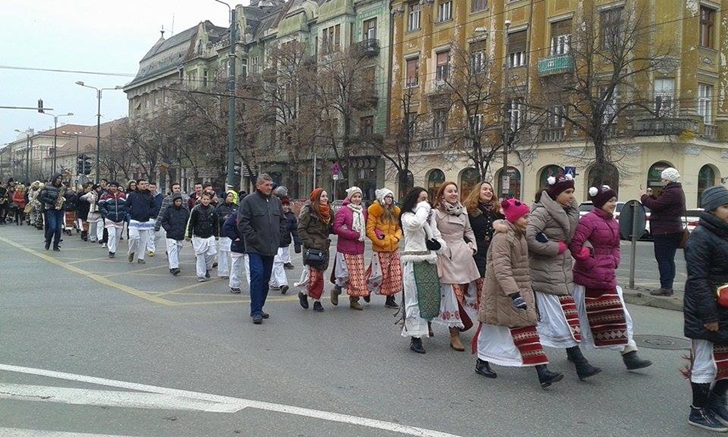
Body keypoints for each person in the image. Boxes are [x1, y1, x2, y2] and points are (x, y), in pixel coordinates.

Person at [475, 198, 564, 389]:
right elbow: (502, 269)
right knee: (502, 330)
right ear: (514, 218)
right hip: (503, 292)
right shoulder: (503, 238)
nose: (528, 220)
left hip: (518, 288)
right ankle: (484, 362)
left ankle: (542, 372)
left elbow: (523, 259)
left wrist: (542, 241)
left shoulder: (519, 234)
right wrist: (514, 294)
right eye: (525, 217)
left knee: (522, 329)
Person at [526, 173, 601, 380]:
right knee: (560, 320)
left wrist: (585, 246)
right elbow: (529, 237)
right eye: (567, 192)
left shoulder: (569, 212)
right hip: (544, 272)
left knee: (564, 318)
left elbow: (573, 237)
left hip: (563, 270)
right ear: (556, 193)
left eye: (572, 191)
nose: (571, 196)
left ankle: (574, 361)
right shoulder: (542, 212)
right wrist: (554, 247)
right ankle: (579, 363)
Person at [570, 185, 652, 373]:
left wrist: (615, 260)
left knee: (620, 315)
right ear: (600, 202)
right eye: (610, 201)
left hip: (608, 277)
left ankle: (630, 354)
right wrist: (589, 263)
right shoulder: (588, 221)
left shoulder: (614, 222)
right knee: (581, 318)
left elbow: (616, 246)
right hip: (587, 279)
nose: (613, 204)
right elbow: (575, 245)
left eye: (614, 200)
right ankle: (573, 350)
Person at [683, 185, 728, 431]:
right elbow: (697, 279)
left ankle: (715, 401)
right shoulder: (700, 236)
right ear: (712, 209)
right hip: (707, 309)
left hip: (725, 306)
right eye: (726, 206)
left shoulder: (724, 233)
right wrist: (709, 316)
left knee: (726, 360)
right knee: (706, 361)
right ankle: (698, 411)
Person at [432, 181, 480, 352]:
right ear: (442, 195)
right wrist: (438, 248)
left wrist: (472, 247)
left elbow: (468, 231)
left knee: (464, 291)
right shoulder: (436, 213)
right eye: (449, 191)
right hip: (446, 254)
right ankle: (454, 334)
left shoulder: (463, 211)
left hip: (463, 254)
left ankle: (459, 325)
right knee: (452, 294)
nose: (453, 194)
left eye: (455, 191)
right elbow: (431, 234)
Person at [399, 187, 446, 354]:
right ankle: (415, 337)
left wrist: (438, 245)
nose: (425, 202)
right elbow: (415, 224)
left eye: (427, 199)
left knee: (427, 297)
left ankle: (424, 328)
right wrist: (424, 208)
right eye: (422, 199)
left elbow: (437, 235)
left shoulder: (428, 218)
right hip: (414, 261)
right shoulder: (407, 216)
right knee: (414, 299)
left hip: (429, 261)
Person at [237, 174, 286, 324]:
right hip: (255, 247)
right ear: (258, 186)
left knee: (265, 278)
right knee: (257, 275)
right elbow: (242, 223)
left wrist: (279, 235)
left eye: (271, 185)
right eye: (266, 185)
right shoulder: (249, 201)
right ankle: (255, 311)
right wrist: (254, 238)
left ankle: (260, 306)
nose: (269, 188)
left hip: (270, 246)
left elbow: (282, 221)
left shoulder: (276, 201)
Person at [640, 167, 686, 296]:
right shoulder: (676, 191)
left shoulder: (672, 192)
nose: (662, 182)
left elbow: (656, 205)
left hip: (665, 230)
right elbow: (662, 204)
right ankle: (668, 286)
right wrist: (652, 196)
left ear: (668, 180)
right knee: (668, 259)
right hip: (671, 229)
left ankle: (665, 287)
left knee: (663, 259)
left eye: (664, 179)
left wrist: (643, 197)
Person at [332, 186, 369, 310]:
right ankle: (336, 290)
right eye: (354, 196)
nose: (357, 199)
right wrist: (353, 235)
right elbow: (337, 227)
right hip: (345, 247)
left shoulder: (363, 211)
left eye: (359, 196)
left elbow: (366, 227)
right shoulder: (344, 210)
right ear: (350, 197)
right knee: (345, 274)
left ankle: (354, 300)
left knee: (357, 276)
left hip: (359, 247)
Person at [296, 188, 333, 312]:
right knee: (311, 275)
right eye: (322, 196)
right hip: (312, 248)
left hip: (324, 247)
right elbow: (301, 229)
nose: (325, 198)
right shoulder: (309, 210)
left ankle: (317, 300)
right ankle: (304, 293)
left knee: (321, 275)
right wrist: (310, 243)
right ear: (316, 198)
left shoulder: (329, 212)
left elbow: (330, 228)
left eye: (326, 196)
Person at [365, 187, 402, 309]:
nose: (389, 199)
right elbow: (370, 230)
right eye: (387, 197)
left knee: (394, 275)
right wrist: (381, 242)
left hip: (394, 247)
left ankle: (390, 298)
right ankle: (367, 289)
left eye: (391, 197)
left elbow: (399, 228)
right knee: (378, 275)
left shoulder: (395, 211)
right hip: (381, 248)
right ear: (382, 198)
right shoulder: (375, 211)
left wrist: (396, 238)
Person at [465, 181, 504, 292]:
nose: (488, 192)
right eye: (485, 189)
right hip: (475, 251)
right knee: (477, 282)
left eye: (490, 190)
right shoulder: (470, 209)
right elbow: (465, 230)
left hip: (492, 249)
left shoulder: (497, 211)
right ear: (478, 192)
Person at [270, 197, 301, 294]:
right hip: (275, 243)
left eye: (287, 205)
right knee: (278, 263)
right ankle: (282, 283)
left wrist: (297, 244)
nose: (285, 207)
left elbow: (295, 231)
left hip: (285, 244)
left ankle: (274, 282)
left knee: (277, 264)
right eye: (283, 205)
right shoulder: (275, 215)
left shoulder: (291, 217)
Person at [186, 192, 219, 282]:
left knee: (212, 253)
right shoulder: (196, 209)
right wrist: (189, 234)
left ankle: (207, 268)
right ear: (201, 199)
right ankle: (201, 275)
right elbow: (191, 223)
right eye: (204, 199)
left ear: (210, 200)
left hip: (210, 235)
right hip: (198, 236)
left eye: (207, 199)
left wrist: (216, 234)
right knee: (200, 256)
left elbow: (216, 223)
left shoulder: (213, 209)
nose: (206, 201)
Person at [125, 179, 156, 264]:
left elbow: (154, 206)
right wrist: (131, 212)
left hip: (145, 220)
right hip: (134, 219)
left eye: (145, 184)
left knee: (143, 240)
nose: (144, 185)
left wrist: (149, 213)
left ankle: (140, 257)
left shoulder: (149, 195)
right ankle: (131, 252)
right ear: (137, 185)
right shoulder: (132, 195)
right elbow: (126, 205)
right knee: (133, 237)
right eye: (142, 184)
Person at [160, 194, 189, 275]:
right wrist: (168, 229)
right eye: (177, 201)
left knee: (179, 246)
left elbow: (187, 222)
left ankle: (172, 262)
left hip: (180, 233)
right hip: (171, 233)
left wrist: (187, 231)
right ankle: (174, 267)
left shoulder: (184, 211)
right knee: (173, 249)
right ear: (173, 201)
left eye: (180, 201)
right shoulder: (169, 210)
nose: (178, 203)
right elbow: (164, 221)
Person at [98, 182, 128, 258]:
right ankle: (111, 251)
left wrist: (124, 213)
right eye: (111, 186)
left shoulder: (122, 195)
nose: (113, 188)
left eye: (115, 186)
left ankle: (114, 248)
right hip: (109, 218)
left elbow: (126, 205)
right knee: (112, 234)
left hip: (120, 218)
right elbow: (101, 206)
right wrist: (106, 213)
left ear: (117, 187)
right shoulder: (105, 195)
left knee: (117, 236)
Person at [222, 211, 249, 293]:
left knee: (251, 268)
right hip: (238, 245)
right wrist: (234, 237)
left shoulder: (253, 214)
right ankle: (234, 285)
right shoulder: (236, 215)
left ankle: (253, 286)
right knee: (236, 266)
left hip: (250, 245)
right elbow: (227, 226)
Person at [38, 173, 66, 251]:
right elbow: (42, 197)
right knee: (53, 226)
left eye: (60, 178)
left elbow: (66, 196)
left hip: (60, 209)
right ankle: (48, 241)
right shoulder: (47, 187)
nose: (59, 180)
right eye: (58, 178)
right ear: (54, 178)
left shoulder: (63, 187)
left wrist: (64, 200)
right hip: (50, 209)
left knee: (58, 228)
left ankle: (56, 245)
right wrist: (52, 201)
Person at [216, 190, 238, 279]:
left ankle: (233, 271)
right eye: (229, 196)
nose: (231, 198)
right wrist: (223, 218)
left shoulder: (236, 207)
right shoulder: (220, 208)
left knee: (232, 254)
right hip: (223, 233)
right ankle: (223, 272)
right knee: (223, 253)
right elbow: (216, 219)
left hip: (233, 233)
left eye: (232, 196)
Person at [146, 182, 164, 257]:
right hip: (149, 218)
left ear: (156, 188)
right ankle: (151, 249)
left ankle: (152, 246)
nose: (152, 189)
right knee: (150, 235)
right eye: (150, 187)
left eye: (153, 187)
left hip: (159, 218)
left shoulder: (160, 196)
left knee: (159, 234)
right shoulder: (146, 196)